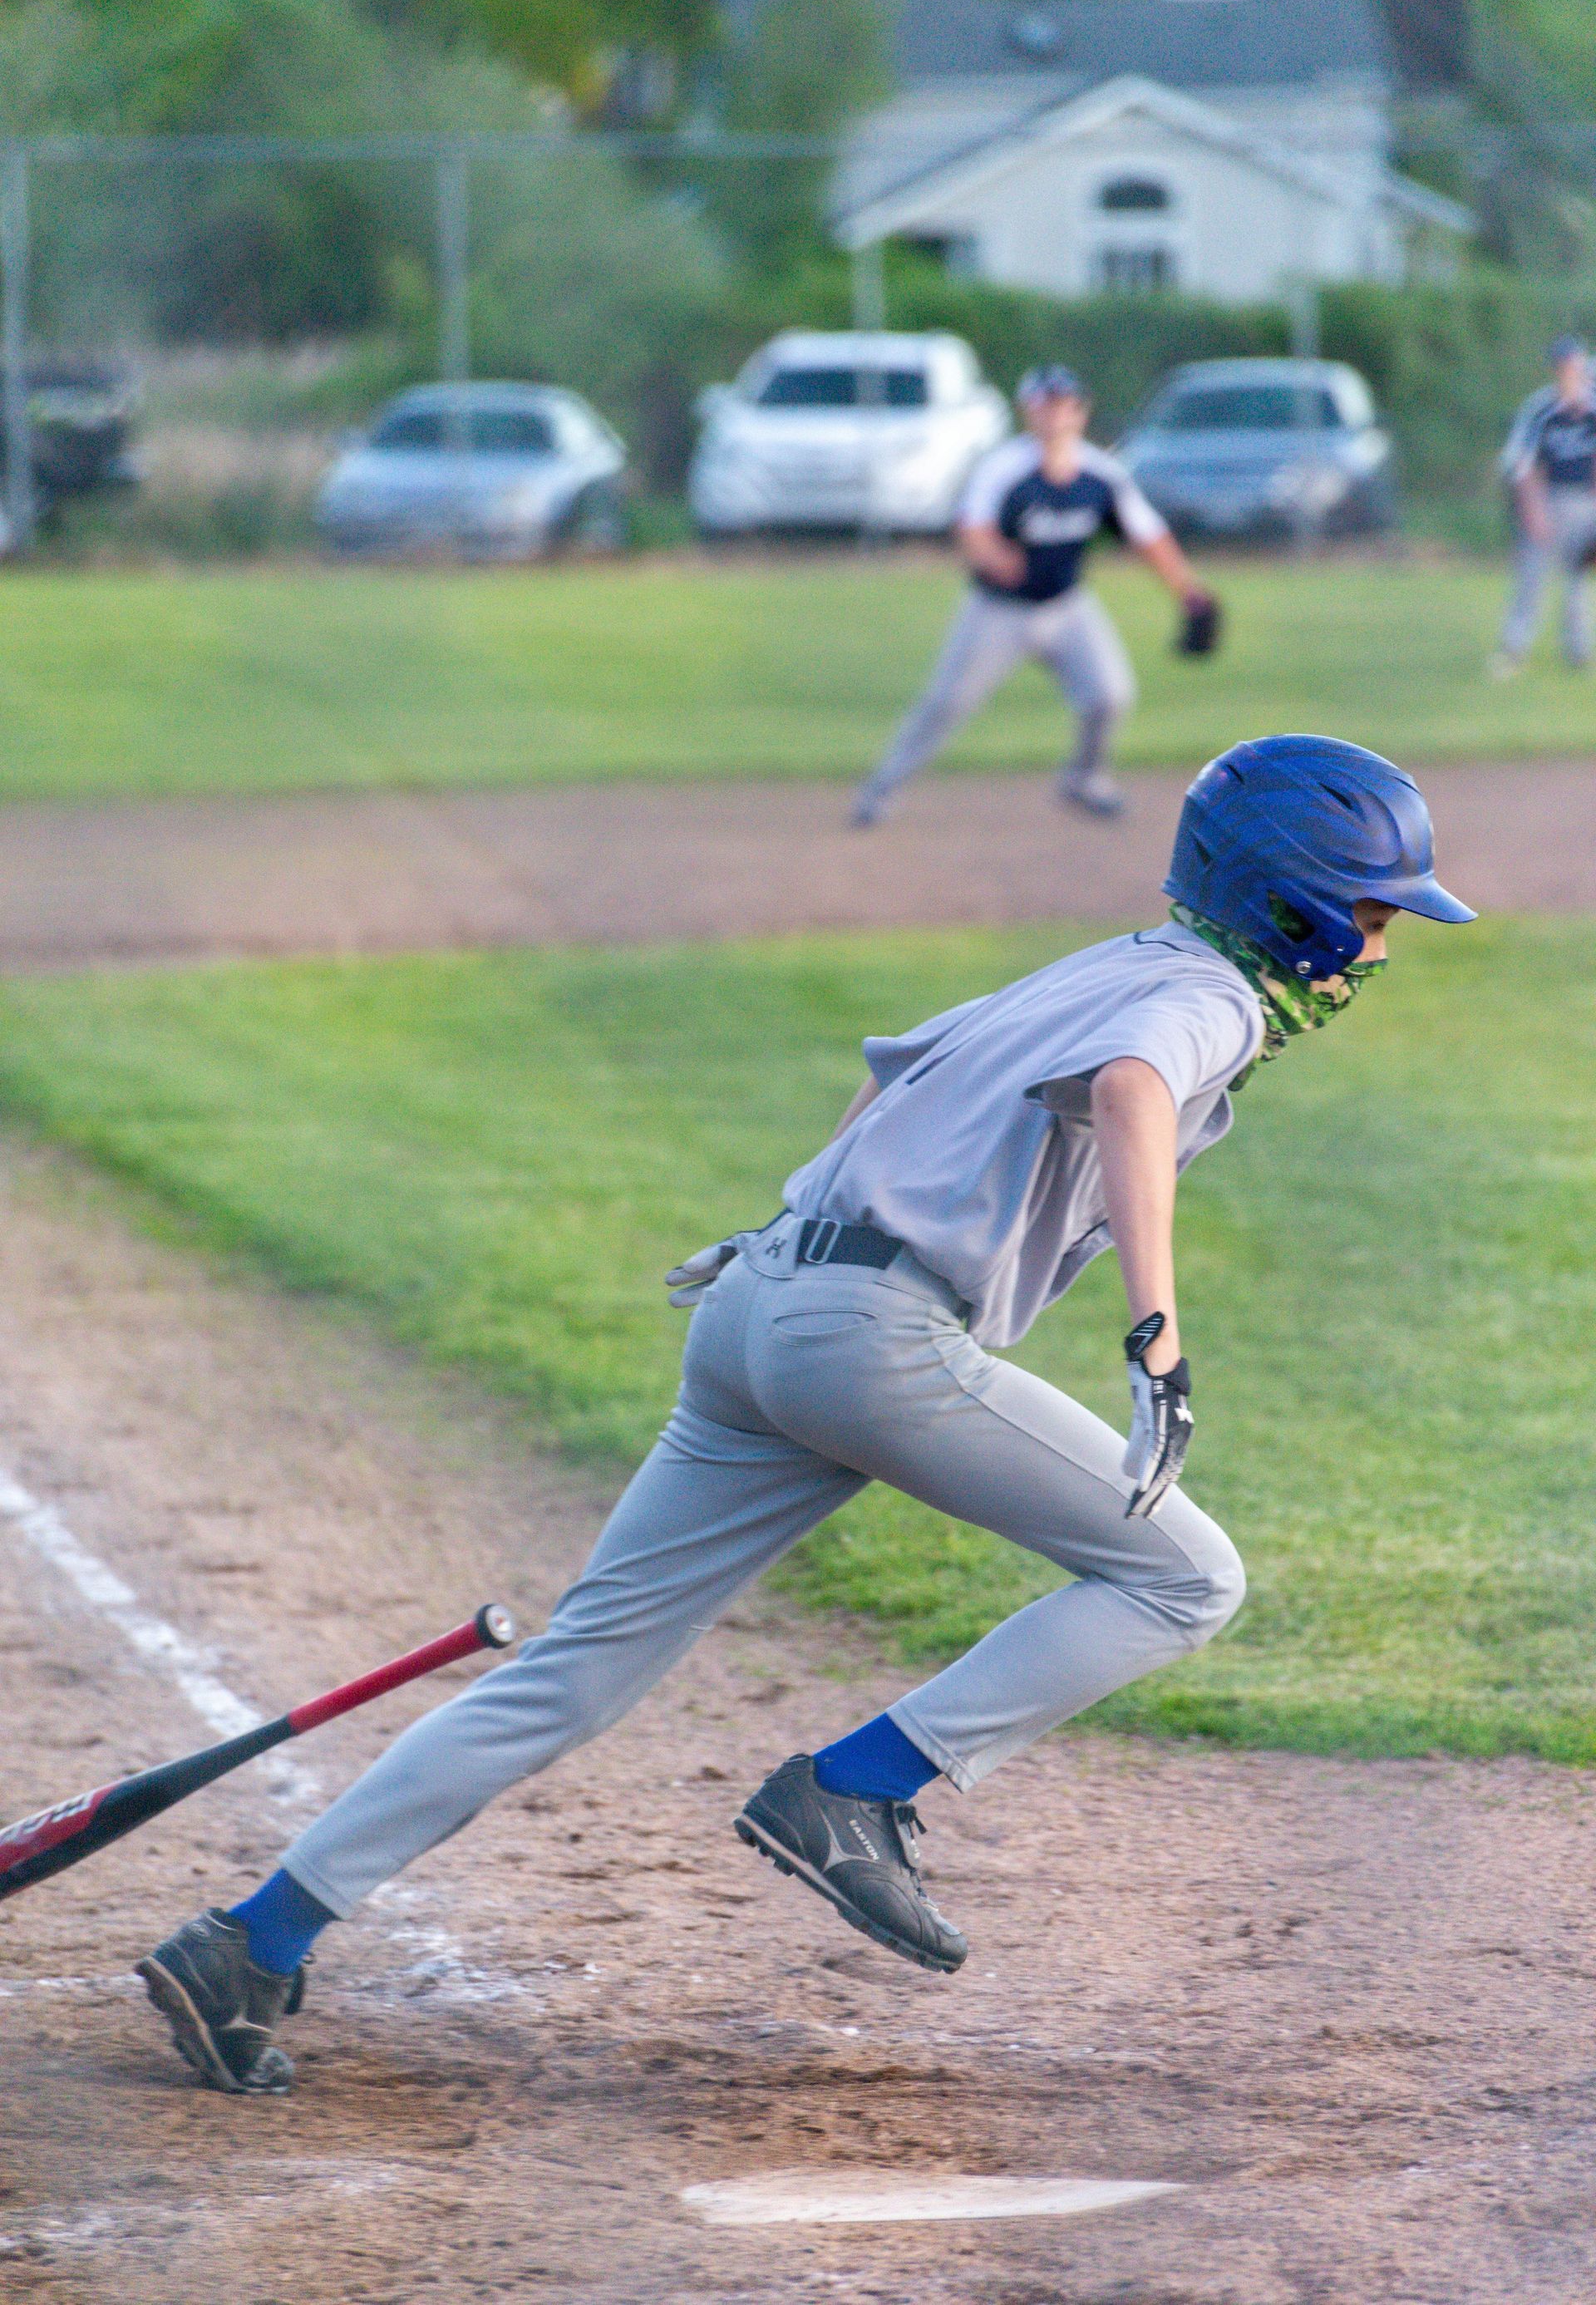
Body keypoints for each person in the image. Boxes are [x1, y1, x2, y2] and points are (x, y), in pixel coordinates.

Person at [135, 735, 1474, 2096]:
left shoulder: (1108, 960)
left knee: (576, 1668)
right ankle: (860, 1789)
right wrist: (1158, 1336)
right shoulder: (1209, 1001)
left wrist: (793, 1224)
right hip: (872, 1344)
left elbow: (896, 1076)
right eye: (1372, 913)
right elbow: (1133, 1089)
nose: (1380, 947)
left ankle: (254, 1940)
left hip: (761, 1303)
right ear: (1290, 900)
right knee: (1189, 1577)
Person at [850, 365, 1218, 827]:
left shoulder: (1101, 475)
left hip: (1067, 607)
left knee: (1109, 695)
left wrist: (1189, 592)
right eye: (1045, 405)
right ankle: (880, 791)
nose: (1055, 415)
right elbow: (972, 527)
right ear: (1028, 412)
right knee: (946, 704)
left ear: (1081, 412)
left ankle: (1085, 780)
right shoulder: (1006, 468)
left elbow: (1149, 537)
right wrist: (994, 557)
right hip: (997, 613)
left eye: (1064, 404)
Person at [1493, 333, 1596, 677]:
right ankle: (1513, 650)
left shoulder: (1592, 407)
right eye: (1564, 366)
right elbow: (1522, 466)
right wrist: (1534, 513)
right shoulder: (1541, 409)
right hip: (1548, 499)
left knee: (1577, 583)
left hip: (1586, 503)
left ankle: (1578, 654)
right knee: (1531, 580)